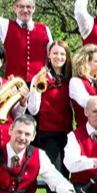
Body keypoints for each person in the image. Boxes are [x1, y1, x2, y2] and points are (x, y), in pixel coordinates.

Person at [26, 40, 74, 175]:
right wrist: (36, 88)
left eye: (62, 54)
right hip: (48, 133)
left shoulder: (70, 78)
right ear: (49, 55)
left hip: (67, 132)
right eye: (55, 53)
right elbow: (33, 109)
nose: (59, 57)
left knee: (65, 172)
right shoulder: (40, 77)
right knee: (55, 173)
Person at [69, 44, 97, 129]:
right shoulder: (76, 81)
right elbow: (87, 102)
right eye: (96, 61)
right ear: (86, 62)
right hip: (85, 131)